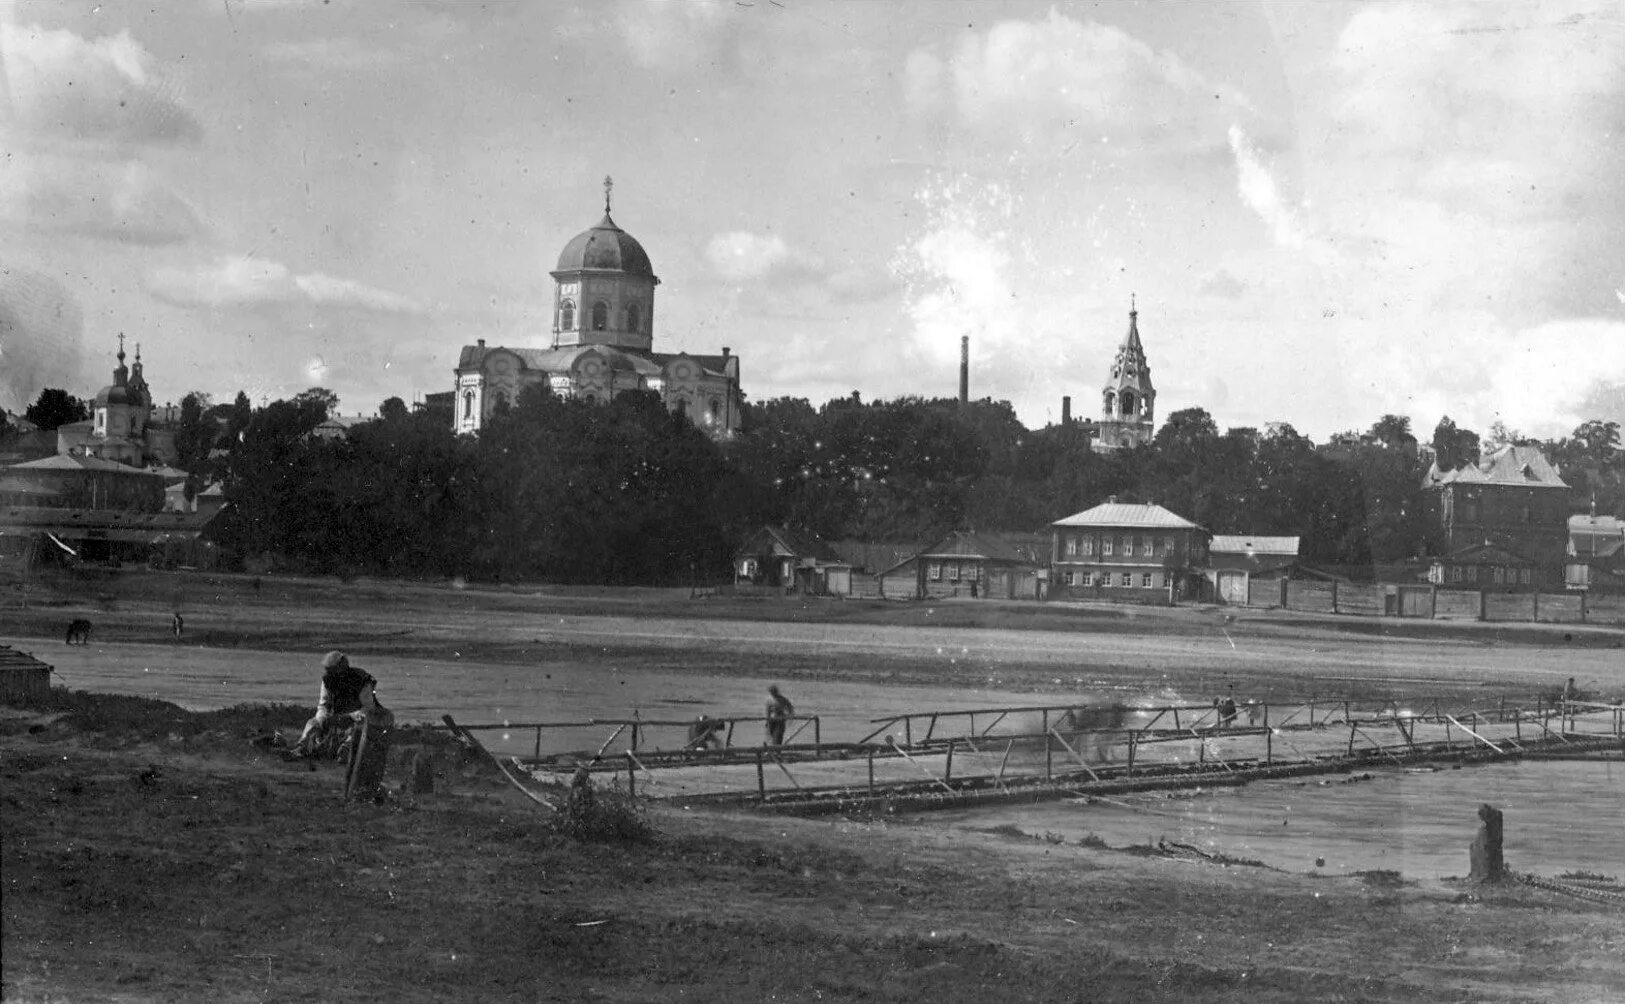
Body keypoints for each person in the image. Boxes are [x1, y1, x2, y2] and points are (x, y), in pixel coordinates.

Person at [293, 651, 393, 757]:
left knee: (359, 729)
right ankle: (302, 746)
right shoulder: (328, 681)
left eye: (332, 670)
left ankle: (346, 750)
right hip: (335, 723)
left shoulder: (361, 680)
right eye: (328, 670)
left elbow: (368, 708)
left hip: (356, 722)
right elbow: (323, 705)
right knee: (312, 723)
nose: (330, 674)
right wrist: (322, 719)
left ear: (342, 667)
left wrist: (348, 717)